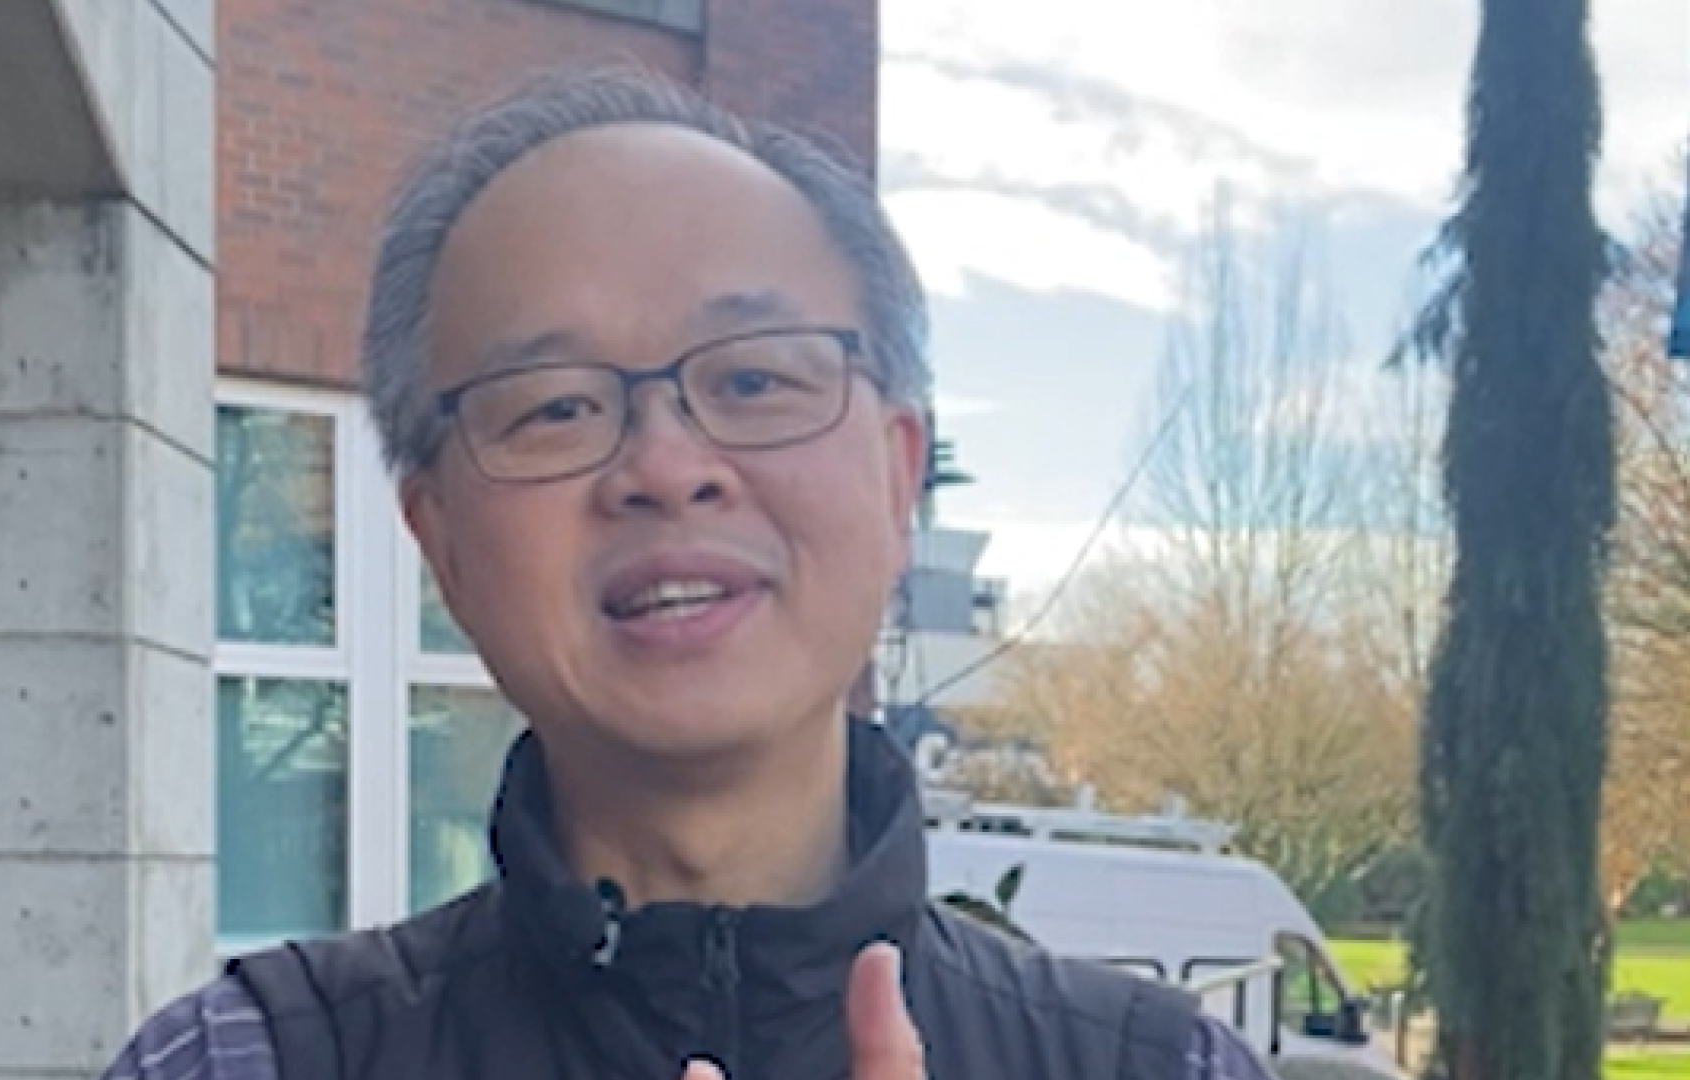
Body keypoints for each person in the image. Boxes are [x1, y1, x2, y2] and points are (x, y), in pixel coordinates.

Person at [100, 67, 1277, 1080]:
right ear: (439, 541)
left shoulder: (1163, 1065)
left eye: (756, 380)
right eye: (555, 407)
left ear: (894, 476)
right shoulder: (238, 1062)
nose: (665, 467)